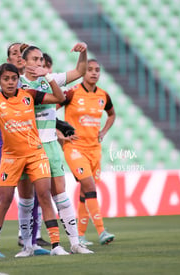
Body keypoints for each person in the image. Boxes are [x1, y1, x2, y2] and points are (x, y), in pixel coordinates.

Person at [0, 63, 70, 260]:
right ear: (0, 81)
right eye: (6, 79)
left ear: (18, 80)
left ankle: (56, 244)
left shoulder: (28, 94)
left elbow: (60, 98)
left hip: (35, 154)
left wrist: (48, 76)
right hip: (11, 158)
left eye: (14, 78)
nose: (11, 82)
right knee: (4, 200)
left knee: (44, 195)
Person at [17, 44, 93, 255]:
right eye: (34, 59)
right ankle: (27, 246)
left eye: (41, 59)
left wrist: (83, 52)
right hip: (27, 145)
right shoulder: (17, 84)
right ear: (23, 62)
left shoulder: (50, 79)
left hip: (49, 143)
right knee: (26, 200)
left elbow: (79, 71)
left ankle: (75, 243)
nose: (39, 63)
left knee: (60, 194)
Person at [59, 59, 116, 245]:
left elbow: (112, 114)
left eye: (97, 70)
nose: (94, 73)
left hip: (94, 149)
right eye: (90, 69)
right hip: (74, 147)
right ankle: (101, 231)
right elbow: (49, 110)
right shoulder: (72, 92)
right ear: (83, 72)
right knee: (89, 186)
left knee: (86, 190)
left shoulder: (103, 95)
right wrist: (59, 133)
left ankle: (80, 236)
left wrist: (104, 131)